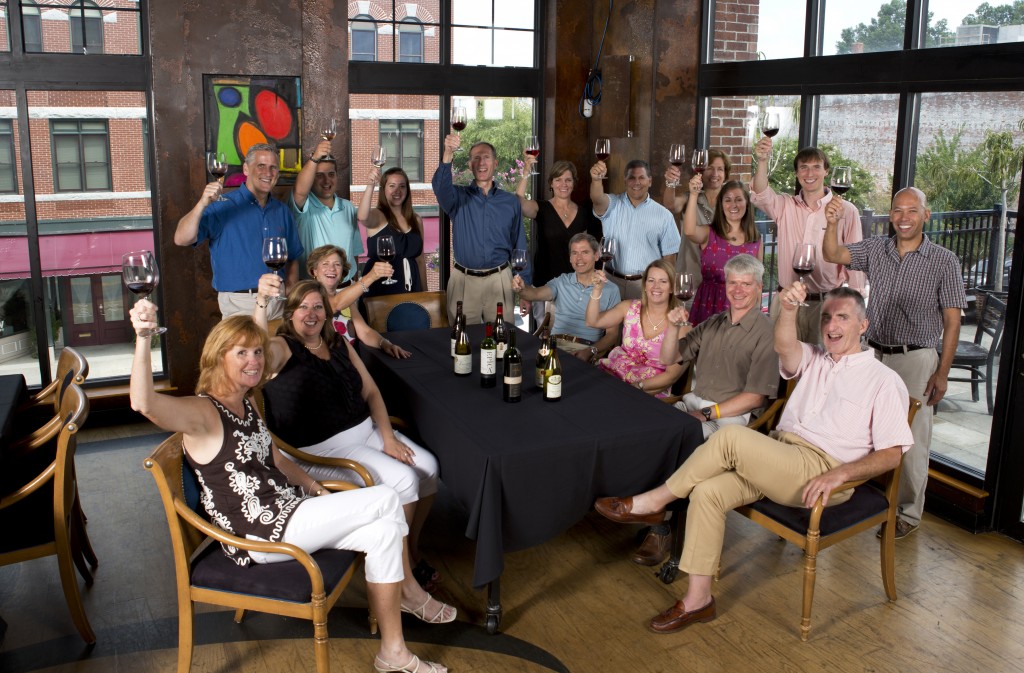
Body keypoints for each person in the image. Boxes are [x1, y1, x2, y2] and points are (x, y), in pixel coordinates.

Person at [128, 303, 451, 673]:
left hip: (289, 511)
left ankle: (392, 653)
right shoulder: (204, 413)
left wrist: (318, 490)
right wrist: (142, 337)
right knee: (386, 497)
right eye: (241, 353)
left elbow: (278, 460)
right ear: (218, 358)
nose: (254, 361)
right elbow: (144, 403)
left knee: (383, 532)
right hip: (261, 535)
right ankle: (409, 592)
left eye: (257, 352)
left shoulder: (246, 402)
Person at [593, 284, 913, 635]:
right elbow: (786, 346)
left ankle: (654, 501)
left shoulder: (884, 380)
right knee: (707, 493)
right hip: (782, 455)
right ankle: (698, 600)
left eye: (842, 317)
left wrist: (841, 475)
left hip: (823, 471)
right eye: (826, 317)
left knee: (729, 436)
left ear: (863, 325)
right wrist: (788, 308)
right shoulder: (815, 357)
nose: (831, 325)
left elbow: (892, 453)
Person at [254, 278, 441, 587]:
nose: (311, 314)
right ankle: (404, 574)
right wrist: (261, 303)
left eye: (318, 307)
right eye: (303, 308)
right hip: (322, 450)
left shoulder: (337, 343)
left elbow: (371, 392)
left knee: (429, 468)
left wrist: (388, 437)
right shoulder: (281, 348)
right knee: (405, 480)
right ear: (290, 314)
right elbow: (256, 349)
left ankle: (410, 550)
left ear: (328, 313)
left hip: (365, 431)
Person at [822, 186, 967, 540]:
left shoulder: (944, 260)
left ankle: (906, 513)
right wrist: (832, 222)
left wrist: (942, 373)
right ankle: (849, 495)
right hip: (874, 353)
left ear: (926, 215)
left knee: (912, 439)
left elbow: (952, 322)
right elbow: (831, 252)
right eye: (897, 210)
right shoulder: (876, 249)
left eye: (911, 211)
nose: (903, 218)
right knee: (856, 428)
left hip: (915, 358)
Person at [622, 254, 778, 567]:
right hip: (693, 403)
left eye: (746, 284)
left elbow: (756, 398)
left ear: (759, 287)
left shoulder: (766, 333)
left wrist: (708, 414)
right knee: (648, 431)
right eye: (732, 282)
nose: (738, 289)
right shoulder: (714, 322)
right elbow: (669, 359)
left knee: (677, 440)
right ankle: (648, 506)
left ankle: (661, 527)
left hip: (730, 421)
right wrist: (674, 327)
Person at [750, 139, 865, 342]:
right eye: (803, 168)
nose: (809, 174)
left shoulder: (847, 211)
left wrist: (855, 310)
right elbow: (760, 193)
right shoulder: (785, 206)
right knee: (782, 367)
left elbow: (854, 261)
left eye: (816, 167)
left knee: (820, 369)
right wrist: (762, 160)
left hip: (825, 305)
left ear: (826, 171)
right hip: (787, 301)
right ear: (797, 173)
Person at [175, 142, 303, 320]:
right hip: (239, 304)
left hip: (278, 304)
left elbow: (293, 256)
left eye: (273, 168)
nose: (268, 173)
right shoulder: (221, 206)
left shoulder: (282, 211)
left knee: (279, 349)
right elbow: (181, 238)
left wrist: (289, 289)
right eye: (261, 166)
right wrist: (202, 203)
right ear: (246, 169)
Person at [432, 137, 528, 325]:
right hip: (464, 282)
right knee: (462, 343)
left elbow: (520, 245)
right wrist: (448, 153)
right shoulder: (456, 198)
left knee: (502, 341)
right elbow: (439, 187)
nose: (481, 163)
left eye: (486, 157)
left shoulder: (510, 202)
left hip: (500, 281)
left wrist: (525, 290)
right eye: (476, 158)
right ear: (469, 164)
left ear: (495, 163)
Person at [515, 155, 602, 325]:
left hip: (575, 287)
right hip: (544, 286)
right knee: (545, 339)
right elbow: (517, 203)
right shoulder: (541, 208)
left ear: (574, 183)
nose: (563, 184)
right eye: (558, 179)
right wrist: (526, 172)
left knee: (570, 338)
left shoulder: (585, 214)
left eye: (568, 180)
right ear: (551, 183)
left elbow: (591, 251)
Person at [512, 233, 621, 362]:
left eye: (585, 252)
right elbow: (534, 294)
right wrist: (521, 289)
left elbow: (612, 334)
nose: (579, 258)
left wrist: (590, 351)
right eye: (574, 253)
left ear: (596, 255)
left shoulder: (611, 290)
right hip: (554, 345)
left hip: (585, 348)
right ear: (570, 258)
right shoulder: (561, 281)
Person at [289, 244, 411, 359]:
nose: (331, 268)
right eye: (325, 264)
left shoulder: (347, 301)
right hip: (322, 366)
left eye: (337, 264)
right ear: (314, 271)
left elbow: (365, 332)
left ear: (343, 271)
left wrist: (386, 344)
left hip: (350, 363)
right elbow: (335, 305)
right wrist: (371, 276)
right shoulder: (308, 297)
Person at [585, 259, 686, 397]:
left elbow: (671, 376)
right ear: (644, 285)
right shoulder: (629, 307)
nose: (656, 286)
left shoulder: (681, 325)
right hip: (610, 376)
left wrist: (636, 387)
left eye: (663, 281)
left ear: (672, 287)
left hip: (647, 392)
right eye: (651, 280)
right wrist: (597, 290)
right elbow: (592, 321)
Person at [591, 159, 680, 300]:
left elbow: (669, 260)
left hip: (645, 286)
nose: (637, 182)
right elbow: (597, 200)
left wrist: (666, 292)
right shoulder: (612, 205)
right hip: (611, 282)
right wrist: (596, 180)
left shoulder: (664, 215)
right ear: (625, 181)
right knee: (609, 322)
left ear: (650, 181)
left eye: (641, 178)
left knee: (642, 323)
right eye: (632, 178)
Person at [682, 178, 762, 325]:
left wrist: (757, 317)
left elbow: (758, 282)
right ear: (721, 204)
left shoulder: (755, 240)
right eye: (728, 200)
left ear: (747, 204)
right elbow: (689, 230)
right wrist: (693, 195)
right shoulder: (709, 232)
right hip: (707, 304)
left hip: (741, 306)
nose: (733, 205)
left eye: (739, 199)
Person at [290, 138, 364, 284]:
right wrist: (315, 158)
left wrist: (354, 286)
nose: (326, 181)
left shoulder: (348, 207)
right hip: (314, 290)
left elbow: (354, 253)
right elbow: (299, 191)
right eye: (319, 175)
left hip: (345, 288)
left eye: (331, 174)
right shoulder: (303, 205)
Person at [662, 149, 732, 296]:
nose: (715, 174)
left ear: (725, 174)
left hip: (722, 282)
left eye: (720, 169)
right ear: (701, 172)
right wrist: (670, 184)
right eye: (710, 168)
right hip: (689, 280)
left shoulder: (732, 204)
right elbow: (670, 204)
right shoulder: (689, 198)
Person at [358, 166, 426, 299]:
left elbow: (420, 261)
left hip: (412, 288)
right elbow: (362, 217)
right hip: (381, 290)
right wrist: (370, 185)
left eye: (402, 186)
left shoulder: (416, 219)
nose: (397, 191)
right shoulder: (378, 216)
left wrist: (425, 294)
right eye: (392, 186)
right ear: (383, 189)